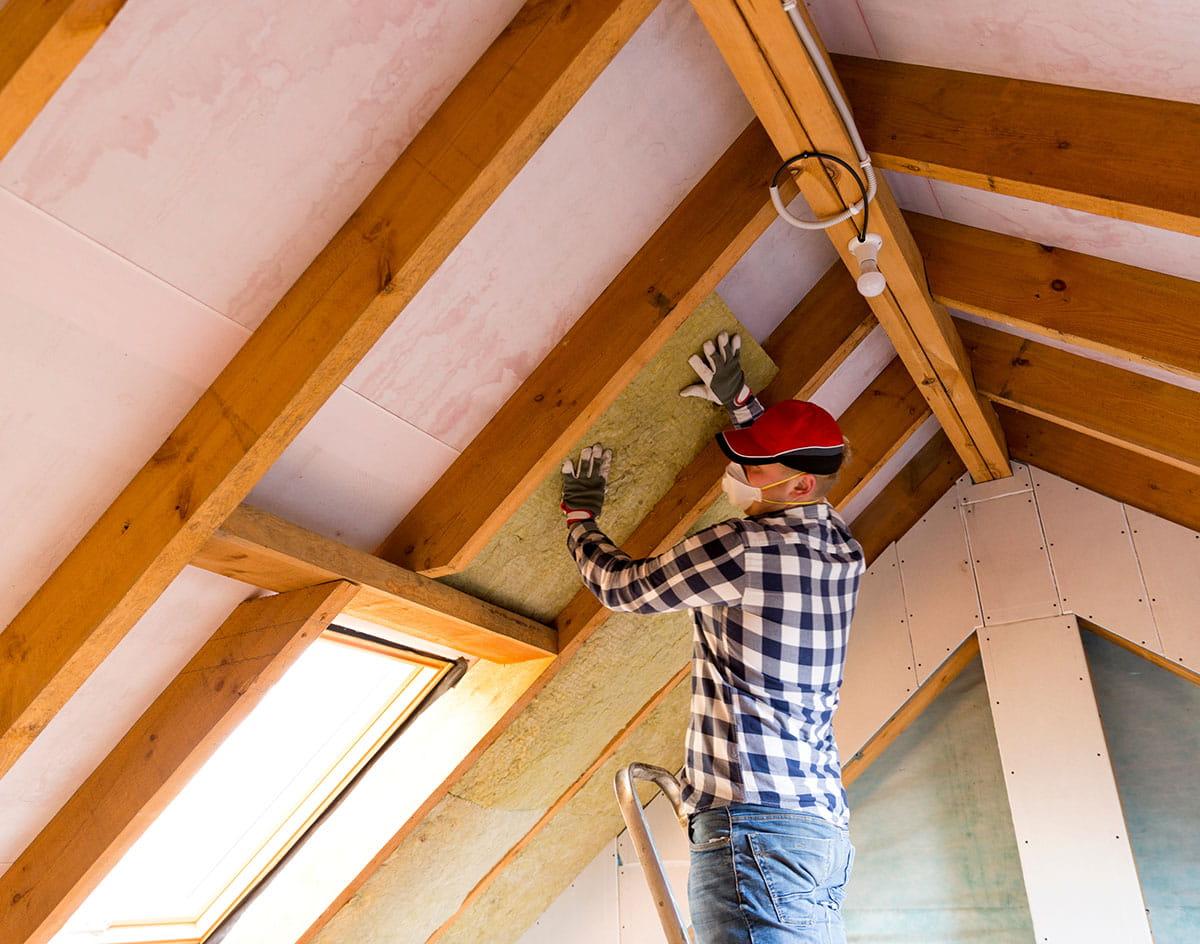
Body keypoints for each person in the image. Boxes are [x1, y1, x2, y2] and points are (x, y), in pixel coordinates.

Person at [560, 332, 865, 944]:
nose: (741, 474)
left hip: (755, 831)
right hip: (816, 832)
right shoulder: (841, 547)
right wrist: (744, 406)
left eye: (755, 465)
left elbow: (623, 588)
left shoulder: (743, 549)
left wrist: (579, 520)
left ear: (800, 486)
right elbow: (796, 466)